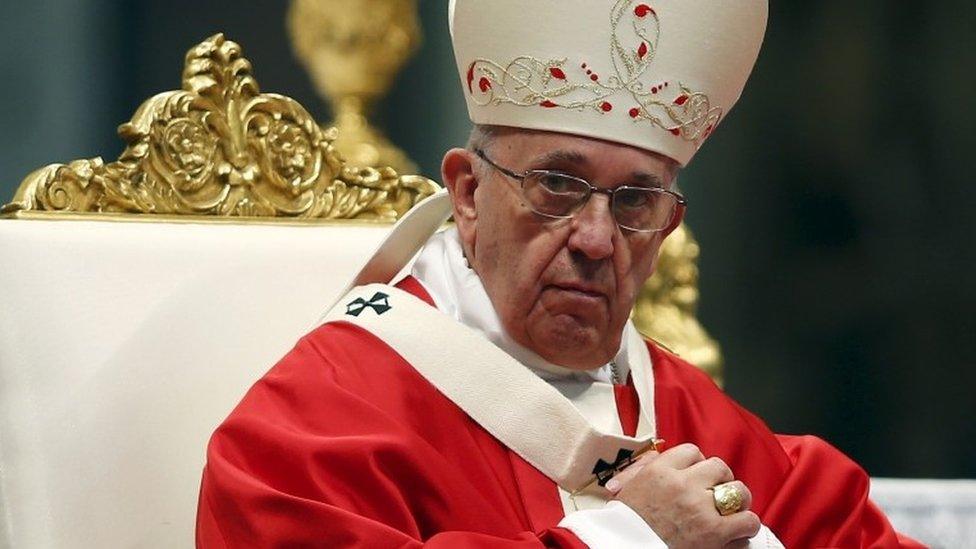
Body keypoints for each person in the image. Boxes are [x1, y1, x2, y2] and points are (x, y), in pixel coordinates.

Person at [197, 1, 923, 547]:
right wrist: (631, 538)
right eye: (556, 185)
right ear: (469, 193)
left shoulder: (695, 420)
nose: (598, 238)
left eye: (635, 200)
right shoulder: (319, 420)